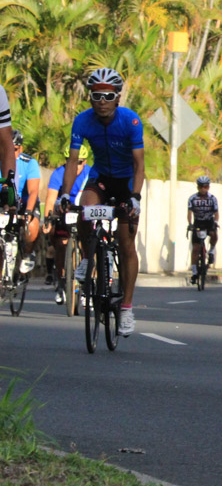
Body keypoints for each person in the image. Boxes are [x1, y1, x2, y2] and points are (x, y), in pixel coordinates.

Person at [60, 68, 146, 337]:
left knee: (126, 242)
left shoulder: (130, 121)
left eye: (108, 95)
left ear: (117, 97)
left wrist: (135, 197)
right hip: (101, 177)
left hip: (127, 182)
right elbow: (73, 162)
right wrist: (64, 194)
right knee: (85, 211)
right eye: (96, 95)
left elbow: (139, 163)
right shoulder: (82, 121)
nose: (102, 101)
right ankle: (87, 258)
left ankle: (127, 308)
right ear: (90, 97)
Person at [44, 145, 92, 303]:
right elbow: (50, 199)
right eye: (70, 161)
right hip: (65, 212)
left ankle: (89, 285)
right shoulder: (59, 173)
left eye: (79, 162)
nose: (75, 165)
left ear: (84, 162)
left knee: (92, 246)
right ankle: (61, 281)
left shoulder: (91, 173)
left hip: (84, 210)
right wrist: (47, 220)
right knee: (61, 244)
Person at [11, 130, 43, 280]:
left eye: (15, 149)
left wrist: (28, 212)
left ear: (20, 148)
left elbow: (33, 191)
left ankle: (28, 253)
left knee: (31, 226)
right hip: (5, 201)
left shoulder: (29, 162)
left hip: (25, 202)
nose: (11, 153)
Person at [186, 175, 219, 284]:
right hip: (198, 223)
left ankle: (211, 251)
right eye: (201, 187)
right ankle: (194, 272)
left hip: (208, 221)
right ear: (198, 187)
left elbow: (216, 213)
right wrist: (190, 224)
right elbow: (189, 213)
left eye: (205, 187)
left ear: (208, 187)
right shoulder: (192, 198)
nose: (203, 189)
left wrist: (216, 222)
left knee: (214, 234)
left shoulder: (212, 198)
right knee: (195, 248)